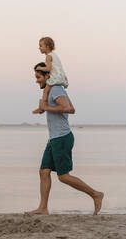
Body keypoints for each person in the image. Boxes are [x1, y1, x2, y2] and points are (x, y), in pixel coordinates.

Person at [26, 62, 104, 215]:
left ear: (47, 75)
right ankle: (43, 208)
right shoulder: (52, 91)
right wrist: (42, 108)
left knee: (63, 177)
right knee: (44, 171)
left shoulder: (55, 89)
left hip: (61, 138)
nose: (36, 80)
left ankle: (96, 194)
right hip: (54, 138)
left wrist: (46, 107)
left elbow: (68, 109)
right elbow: (70, 107)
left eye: (38, 77)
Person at [32, 37, 69, 114]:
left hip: (55, 78)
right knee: (47, 91)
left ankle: (42, 107)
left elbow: (48, 69)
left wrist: (40, 68)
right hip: (60, 77)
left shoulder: (48, 56)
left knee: (45, 91)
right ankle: (43, 107)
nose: (39, 48)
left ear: (47, 46)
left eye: (41, 46)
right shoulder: (54, 55)